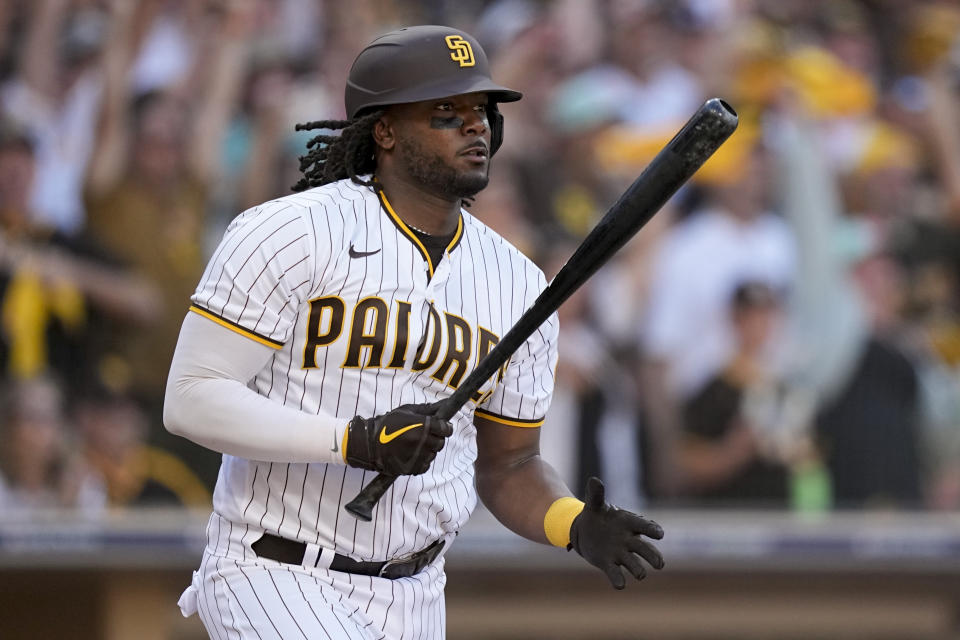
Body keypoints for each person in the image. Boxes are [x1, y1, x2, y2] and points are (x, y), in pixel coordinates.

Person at [163, 26, 664, 640]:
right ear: (385, 130)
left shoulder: (517, 283)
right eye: (446, 112)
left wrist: (570, 522)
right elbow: (191, 396)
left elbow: (511, 465)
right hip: (274, 567)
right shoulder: (289, 233)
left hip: (419, 593)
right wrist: (354, 439)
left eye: (480, 111)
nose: (475, 126)